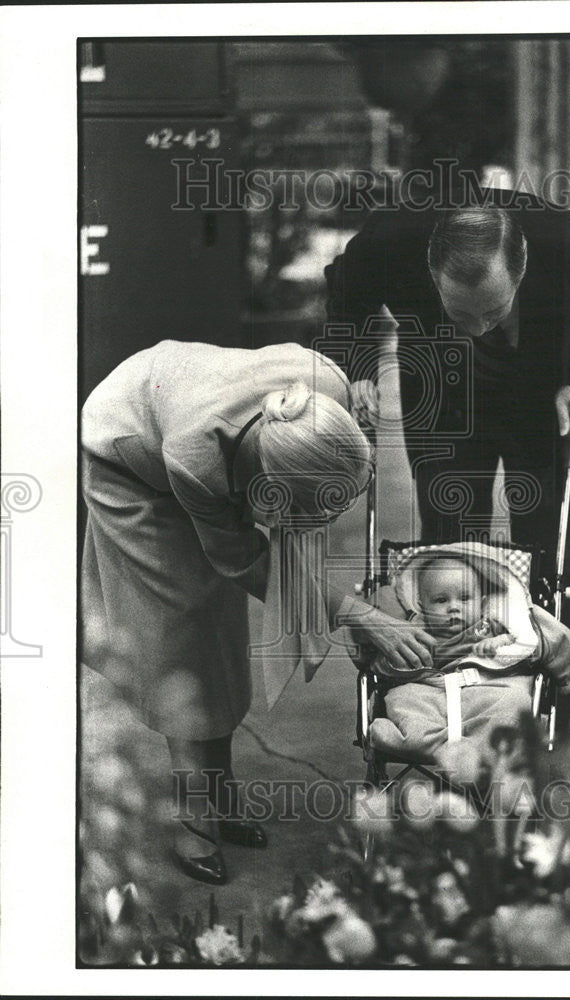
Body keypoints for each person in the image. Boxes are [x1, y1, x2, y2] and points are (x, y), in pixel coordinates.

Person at [81, 338, 435, 885]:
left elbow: (296, 535)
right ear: (268, 490)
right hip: (129, 451)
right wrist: (360, 614)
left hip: (190, 404)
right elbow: (247, 563)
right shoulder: (194, 460)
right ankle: (192, 809)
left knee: (220, 637)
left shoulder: (327, 389)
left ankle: (220, 794)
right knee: (179, 639)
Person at [324, 194, 570, 643]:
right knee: (450, 548)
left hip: (544, 388)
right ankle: (456, 684)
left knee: (548, 555)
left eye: (494, 311)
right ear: (430, 271)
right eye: (461, 313)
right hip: (445, 385)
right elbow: (345, 296)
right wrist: (358, 373)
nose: (479, 327)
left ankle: (545, 681)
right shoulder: (392, 242)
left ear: (522, 271)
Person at [370, 553, 570, 765]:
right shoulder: (416, 631)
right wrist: (399, 662)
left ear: (481, 601)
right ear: (422, 605)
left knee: (514, 701)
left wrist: (503, 641)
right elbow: (384, 664)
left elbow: (532, 640)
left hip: (487, 687)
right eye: (440, 600)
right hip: (432, 691)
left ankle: (466, 746)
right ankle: (447, 747)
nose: (453, 606)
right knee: (402, 698)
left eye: (465, 598)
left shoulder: (492, 625)